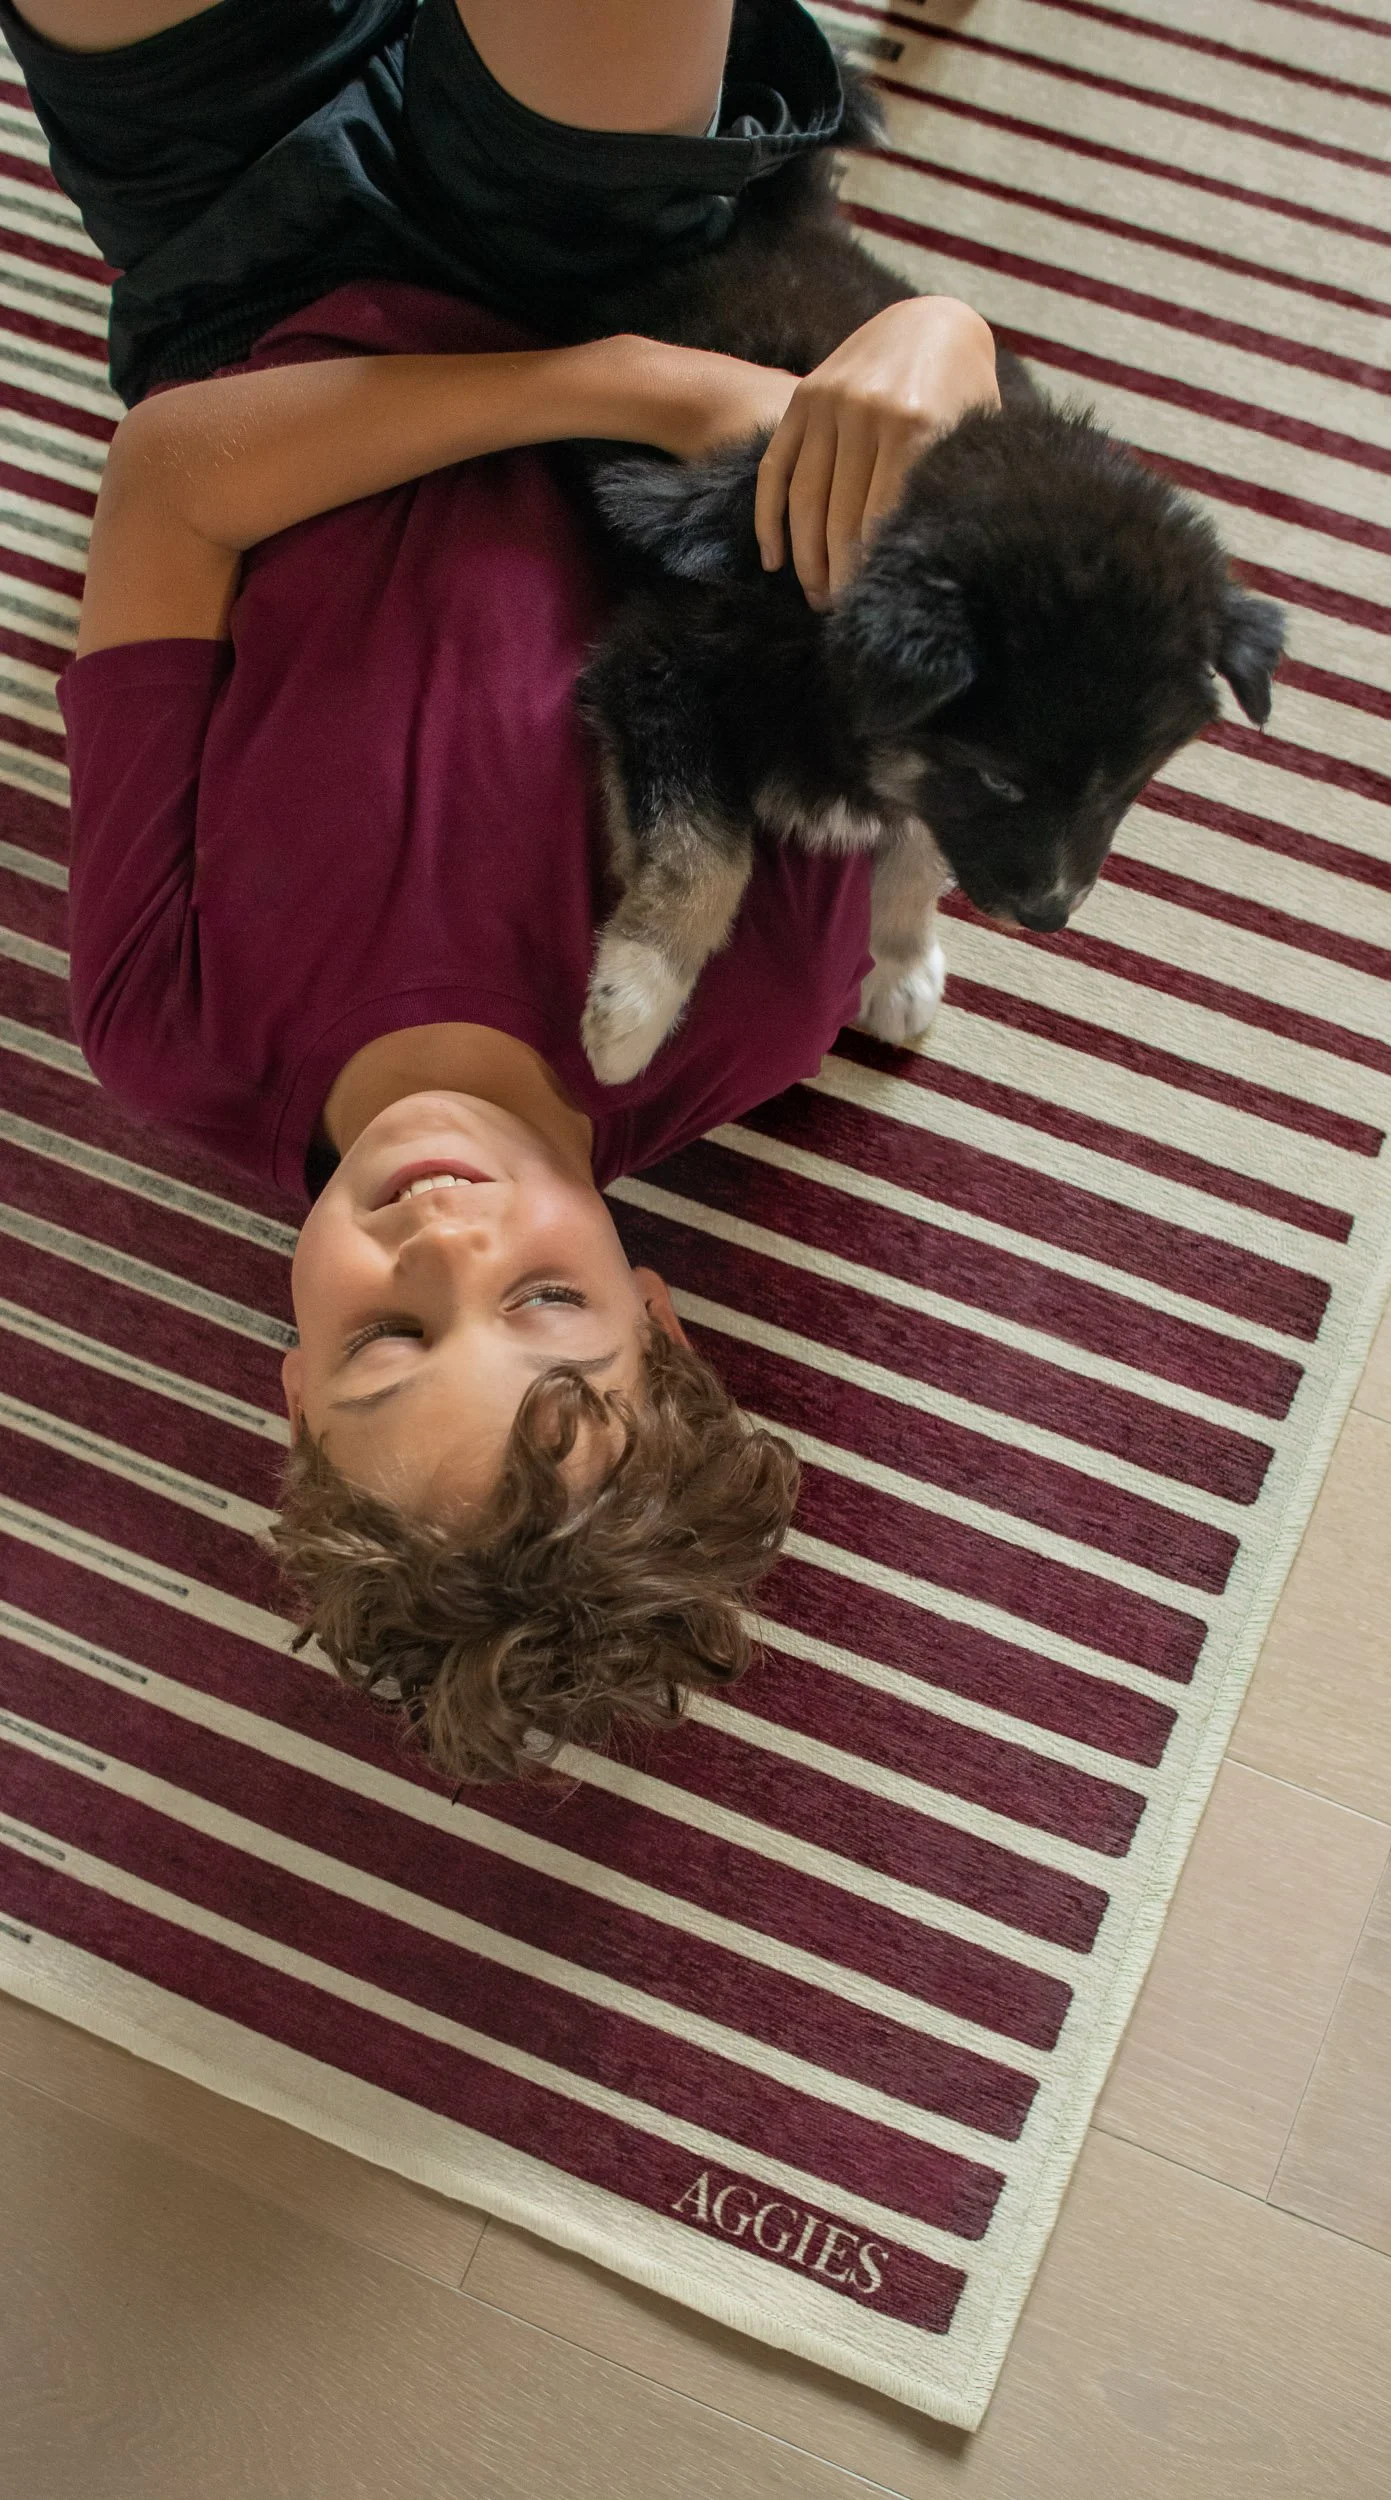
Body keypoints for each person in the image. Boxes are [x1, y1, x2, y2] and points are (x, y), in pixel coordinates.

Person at [12, 0, 1002, 1779]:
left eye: (388, 1334)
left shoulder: (169, 1029)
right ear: (659, 1317)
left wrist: (599, 393)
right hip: (606, 254)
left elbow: (172, 483)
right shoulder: (752, 1001)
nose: (446, 1244)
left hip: (246, 272)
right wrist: (941, 346)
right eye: (545, 1304)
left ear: (295, 1386)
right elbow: (907, 515)